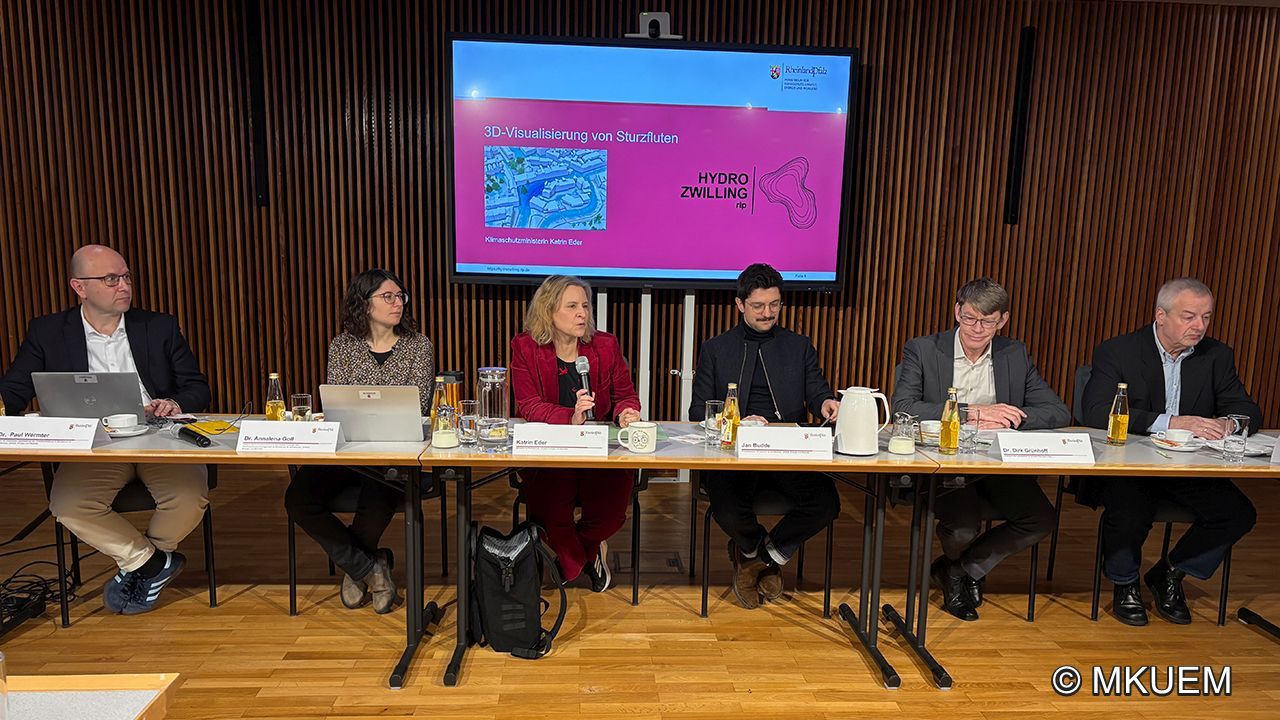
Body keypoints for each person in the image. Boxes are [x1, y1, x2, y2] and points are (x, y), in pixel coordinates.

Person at [0, 245, 210, 615]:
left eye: (126, 276)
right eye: (111, 279)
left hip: (157, 436)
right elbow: (15, 389)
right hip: (93, 443)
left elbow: (197, 387)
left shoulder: (157, 326)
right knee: (67, 504)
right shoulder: (48, 332)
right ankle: (151, 564)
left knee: (189, 498)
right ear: (79, 287)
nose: (124, 285)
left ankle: (144, 565)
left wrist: (173, 403)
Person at [1080, 277, 1259, 626]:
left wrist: (1229, 424)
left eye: (1206, 317)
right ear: (1160, 316)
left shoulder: (1216, 355)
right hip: (1130, 462)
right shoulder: (1118, 351)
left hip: (1190, 464)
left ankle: (1171, 572)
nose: (1200, 327)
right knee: (1130, 508)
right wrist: (1172, 421)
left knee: (1238, 513)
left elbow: (1247, 409)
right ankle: (1124, 583)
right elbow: (1096, 410)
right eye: (1189, 317)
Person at [892, 277, 1067, 621]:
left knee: (1041, 519)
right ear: (957, 312)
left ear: (1002, 320)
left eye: (987, 321)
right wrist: (974, 412)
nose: (977, 328)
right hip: (944, 461)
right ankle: (961, 570)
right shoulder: (925, 349)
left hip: (998, 462)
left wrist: (1009, 418)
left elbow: (1058, 411)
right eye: (970, 317)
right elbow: (904, 406)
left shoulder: (1013, 353)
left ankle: (958, 571)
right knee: (962, 528)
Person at [689, 263, 841, 609]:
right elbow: (698, 412)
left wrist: (828, 402)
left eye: (774, 304)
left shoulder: (799, 346)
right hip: (734, 451)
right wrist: (737, 422)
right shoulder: (716, 348)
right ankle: (754, 549)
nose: (768, 312)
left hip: (787, 450)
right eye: (758, 306)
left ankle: (762, 558)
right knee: (727, 507)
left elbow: (818, 393)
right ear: (740, 304)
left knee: (826, 503)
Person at [284, 269, 435, 614]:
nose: (398, 303)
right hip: (346, 447)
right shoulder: (343, 346)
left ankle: (360, 567)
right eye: (388, 297)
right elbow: (336, 399)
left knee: (381, 491)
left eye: (400, 296)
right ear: (364, 304)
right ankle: (370, 566)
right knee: (297, 498)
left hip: (395, 450)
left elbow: (420, 404)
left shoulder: (418, 345)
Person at [510, 275, 642, 592]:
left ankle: (573, 557)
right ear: (548, 311)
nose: (582, 313)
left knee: (611, 514)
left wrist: (627, 411)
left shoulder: (605, 346)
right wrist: (569, 417)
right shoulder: (526, 347)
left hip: (598, 451)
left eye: (585, 305)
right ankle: (582, 561)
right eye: (572, 306)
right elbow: (528, 405)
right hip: (549, 452)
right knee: (550, 510)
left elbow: (626, 394)